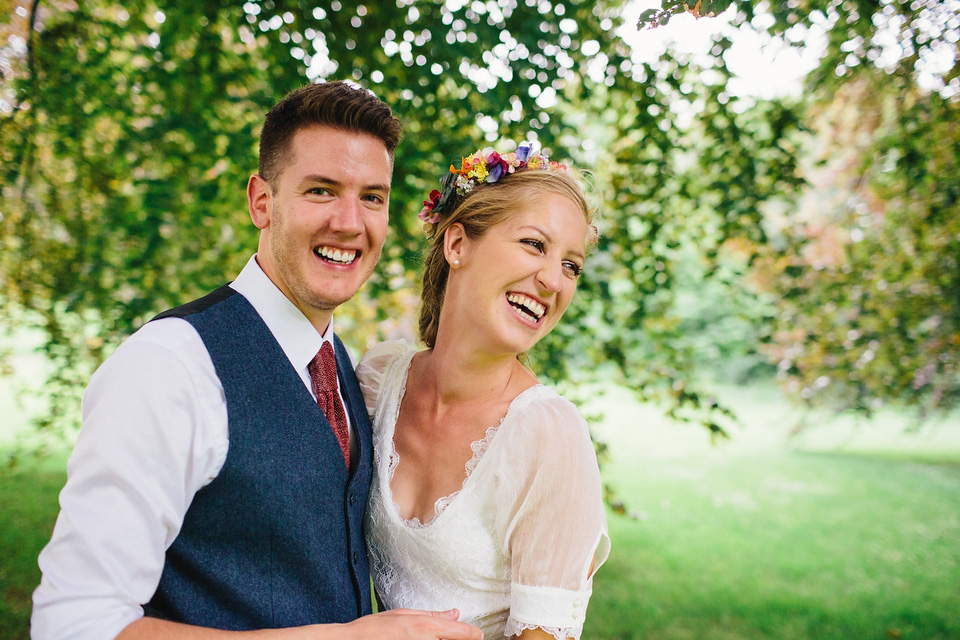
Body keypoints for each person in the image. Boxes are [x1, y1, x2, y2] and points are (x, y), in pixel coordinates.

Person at [31, 81, 482, 640]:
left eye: (372, 197)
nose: (349, 222)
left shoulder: (341, 367)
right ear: (261, 202)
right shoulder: (170, 365)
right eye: (321, 190)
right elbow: (73, 624)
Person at [355, 142, 610, 640]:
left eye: (571, 266)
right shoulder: (379, 379)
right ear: (457, 245)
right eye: (535, 244)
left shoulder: (548, 435)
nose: (553, 280)